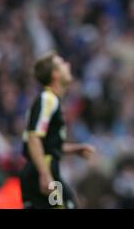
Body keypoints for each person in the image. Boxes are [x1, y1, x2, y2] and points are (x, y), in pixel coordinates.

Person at [20, 52, 96, 209]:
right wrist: (44, 174)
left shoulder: (51, 100)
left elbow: (46, 144)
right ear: (55, 74)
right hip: (42, 171)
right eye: (62, 63)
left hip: (42, 170)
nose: (67, 65)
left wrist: (74, 149)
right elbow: (34, 138)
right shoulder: (48, 99)